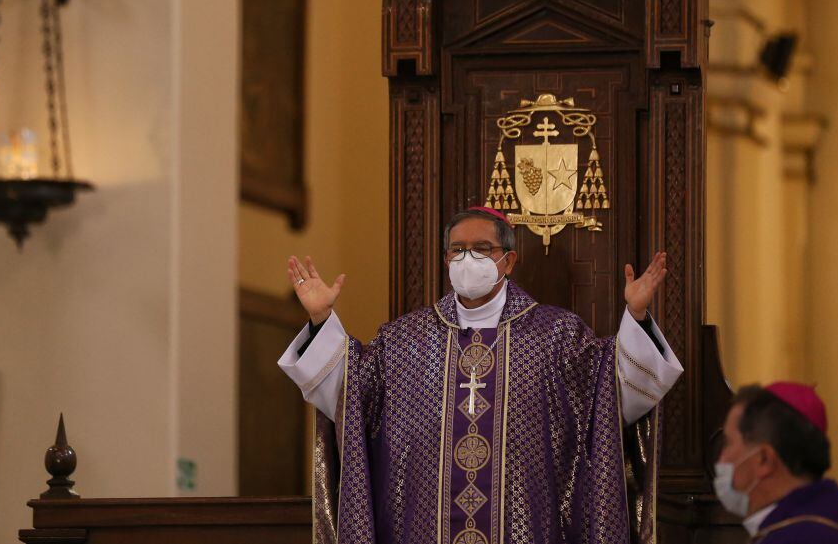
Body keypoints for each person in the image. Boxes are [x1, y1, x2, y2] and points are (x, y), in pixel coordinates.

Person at [279, 206, 683, 544]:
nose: (467, 259)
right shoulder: (403, 340)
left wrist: (636, 316)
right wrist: (320, 320)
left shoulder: (556, 336)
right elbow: (350, 395)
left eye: (482, 249)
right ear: (445, 260)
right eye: (458, 250)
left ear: (509, 260)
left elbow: (611, 395)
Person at [715, 382, 838, 543]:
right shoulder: (809, 527)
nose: (721, 459)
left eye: (728, 443)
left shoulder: (801, 538)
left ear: (764, 459)